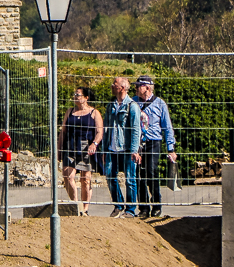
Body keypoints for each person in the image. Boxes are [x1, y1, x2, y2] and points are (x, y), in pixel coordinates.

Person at [133, 74, 176, 219]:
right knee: (139, 175)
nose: (136, 89)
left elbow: (167, 127)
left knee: (151, 172)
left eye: (138, 86)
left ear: (146, 88)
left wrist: (171, 148)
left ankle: (156, 204)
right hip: (137, 143)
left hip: (153, 142)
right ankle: (143, 207)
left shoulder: (160, 103)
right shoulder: (133, 102)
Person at [58, 86, 103, 216]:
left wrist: (94, 144)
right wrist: (59, 149)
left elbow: (100, 132)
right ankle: (75, 205)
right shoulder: (70, 111)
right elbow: (63, 131)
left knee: (85, 179)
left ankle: (85, 208)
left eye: (78, 94)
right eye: (74, 94)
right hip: (70, 146)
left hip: (86, 147)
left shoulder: (94, 112)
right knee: (68, 175)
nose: (75, 97)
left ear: (86, 98)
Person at [103, 76, 143, 217]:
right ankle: (118, 205)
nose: (112, 86)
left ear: (123, 87)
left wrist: (134, 150)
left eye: (115, 84)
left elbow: (135, 130)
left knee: (130, 179)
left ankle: (131, 210)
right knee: (110, 176)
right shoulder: (111, 105)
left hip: (126, 149)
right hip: (111, 148)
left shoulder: (132, 106)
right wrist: (104, 149)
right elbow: (106, 127)